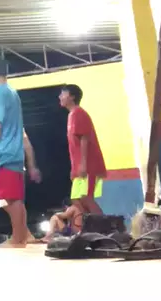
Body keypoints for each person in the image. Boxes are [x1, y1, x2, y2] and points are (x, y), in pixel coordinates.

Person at [0, 57, 41, 248]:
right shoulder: (13, 94)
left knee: (10, 199)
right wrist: (31, 163)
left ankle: (18, 239)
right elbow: (23, 135)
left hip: (4, 153)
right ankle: (24, 235)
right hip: (15, 153)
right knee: (12, 199)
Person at [59, 84, 106, 219]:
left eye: (63, 94)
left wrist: (83, 164)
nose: (60, 97)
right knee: (76, 200)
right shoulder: (71, 115)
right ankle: (91, 227)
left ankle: (106, 227)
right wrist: (74, 169)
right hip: (80, 166)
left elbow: (84, 138)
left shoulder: (79, 113)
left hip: (90, 165)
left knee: (86, 198)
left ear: (72, 97)